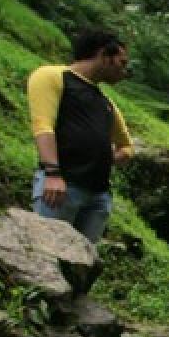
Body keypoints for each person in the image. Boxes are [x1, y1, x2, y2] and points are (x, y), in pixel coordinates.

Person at [27, 30, 133, 243]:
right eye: (121, 63)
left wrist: (111, 157)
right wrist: (53, 173)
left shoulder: (107, 105)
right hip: (61, 187)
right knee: (49, 255)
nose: (124, 71)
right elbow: (43, 126)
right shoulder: (53, 76)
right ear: (104, 55)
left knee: (82, 265)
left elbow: (127, 147)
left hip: (98, 196)